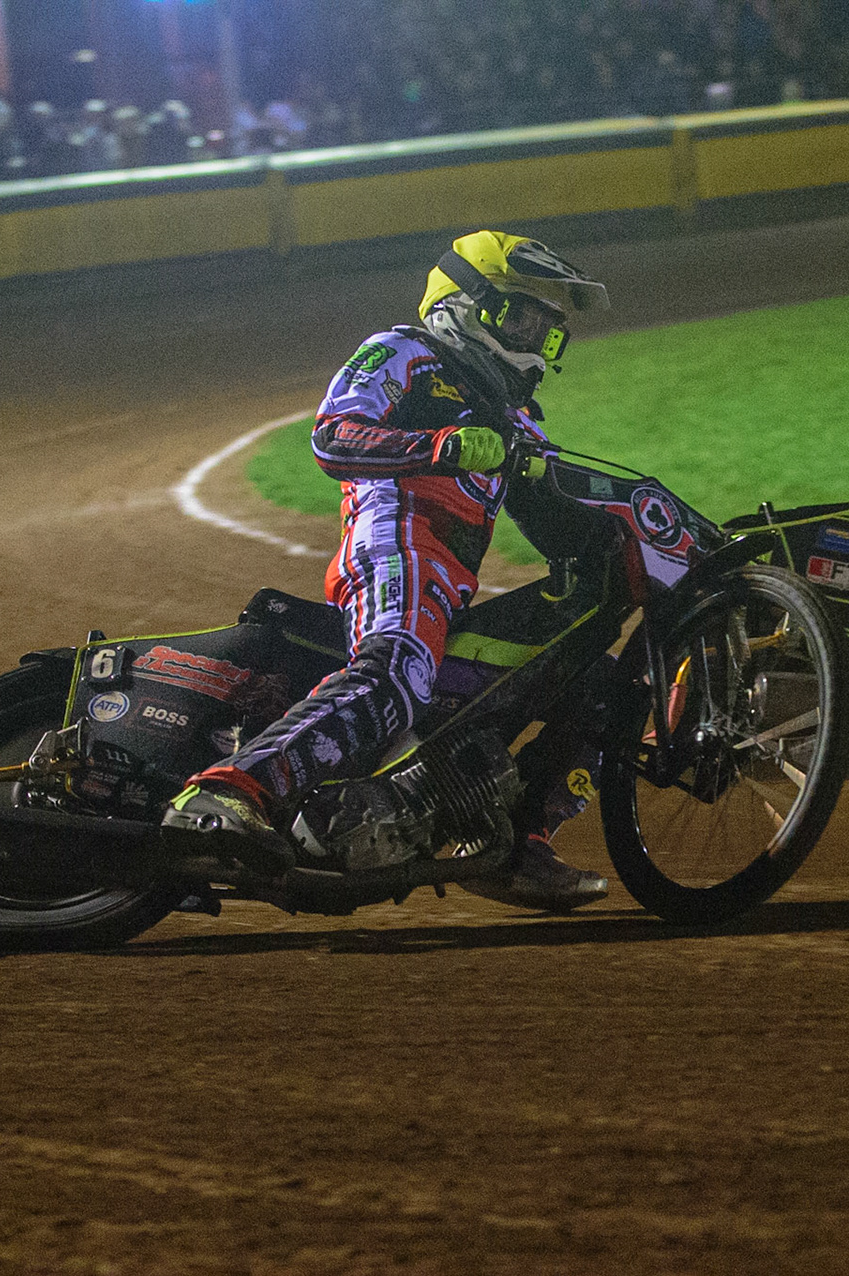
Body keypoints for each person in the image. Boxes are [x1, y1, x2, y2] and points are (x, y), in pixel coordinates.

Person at [165, 231, 613, 911]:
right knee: (397, 669)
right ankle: (228, 794)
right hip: (393, 547)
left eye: (547, 330)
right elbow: (333, 435)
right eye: (521, 317)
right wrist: (443, 445)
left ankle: (515, 843)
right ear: (468, 304)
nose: (533, 338)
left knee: (599, 680)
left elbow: (568, 503)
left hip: (449, 589)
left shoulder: (514, 418)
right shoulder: (403, 352)